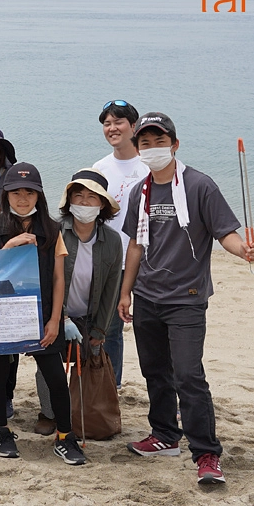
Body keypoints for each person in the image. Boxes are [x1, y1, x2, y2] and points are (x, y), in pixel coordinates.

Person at [118, 112, 254, 486]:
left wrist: (244, 251)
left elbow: (225, 232)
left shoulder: (200, 186)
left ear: (175, 144)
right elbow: (135, 244)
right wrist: (125, 291)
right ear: (137, 149)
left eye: (159, 141)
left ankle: (207, 453)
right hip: (147, 295)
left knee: (188, 375)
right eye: (145, 143)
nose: (153, 149)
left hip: (187, 298)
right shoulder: (140, 192)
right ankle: (165, 435)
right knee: (155, 372)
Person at [0, 162, 87, 465]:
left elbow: (58, 278)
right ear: (6, 195)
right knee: (0, 375)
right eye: (16, 192)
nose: (22, 198)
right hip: (3, 314)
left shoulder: (52, 229)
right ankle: (2, 430)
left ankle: (65, 436)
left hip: (41, 315)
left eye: (29, 192)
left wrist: (55, 319)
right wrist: (12, 244)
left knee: (55, 376)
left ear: (39, 195)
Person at [33, 168, 123, 436]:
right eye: (78, 196)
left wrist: (100, 330)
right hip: (54, 313)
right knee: (48, 365)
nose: (83, 203)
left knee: (89, 364)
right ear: (68, 200)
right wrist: (61, 318)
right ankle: (49, 413)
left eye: (91, 197)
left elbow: (110, 289)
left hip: (89, 315)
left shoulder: (112, 241)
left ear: (102, 204)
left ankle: (80, 411)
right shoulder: (54, 232)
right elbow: (47, 281)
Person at [92, 100, 148, 389]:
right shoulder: (100, 168)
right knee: (110, 329)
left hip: (150, 259)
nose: (112, 128)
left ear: (134, 126)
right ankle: (109, 390)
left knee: (153, 329)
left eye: (118, 122)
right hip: (113, 260)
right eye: (107, 123)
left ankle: (169, 394)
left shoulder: (150, 165)